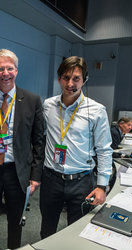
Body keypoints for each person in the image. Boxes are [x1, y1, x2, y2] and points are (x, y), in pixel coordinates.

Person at [0, 49, 45, 250]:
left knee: (16, 220)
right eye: (0, 69)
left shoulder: (32, 100)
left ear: (16, 70)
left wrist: (36, 176)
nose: (5, 73)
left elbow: (38, 141)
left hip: (18, 171)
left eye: (9, 68)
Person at [40, 56, 113, 239]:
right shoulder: (48, 105)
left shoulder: (97, 110)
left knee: (77, 233)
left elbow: (104, 150)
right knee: (47, 230)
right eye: (66, 77)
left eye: (76, 78)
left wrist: (102, 186)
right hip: (51, 179)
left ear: (84, 80)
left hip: (82, 182)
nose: (70, 83)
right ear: (59, 79)